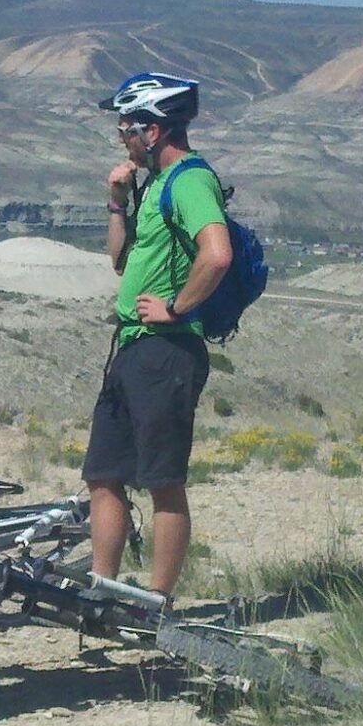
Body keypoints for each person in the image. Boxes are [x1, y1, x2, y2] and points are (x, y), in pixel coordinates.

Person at [83, 72, 231, 603]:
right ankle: (102, 589)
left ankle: (157, 601)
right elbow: (122, 261)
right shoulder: (155, 186)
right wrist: (118, 201)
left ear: (153, 129)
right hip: (132, 344)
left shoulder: (191, 180)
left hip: (167, 350)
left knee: (163, 480)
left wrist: (176, 308)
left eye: (126, 129)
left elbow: (217, 253)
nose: (122, 140)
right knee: (103, 474)